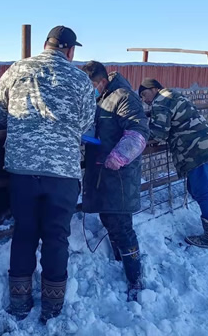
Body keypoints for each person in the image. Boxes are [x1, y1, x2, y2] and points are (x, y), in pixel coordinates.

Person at [0, 25, 96, 323]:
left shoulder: (17, 69)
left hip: (22, 170)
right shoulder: (80, 79)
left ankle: (20, 302)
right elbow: (87, 122)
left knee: (24, 233)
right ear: (71, 50)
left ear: (46, 44)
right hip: (62, 173)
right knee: (56, 237)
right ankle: (52, 306)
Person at [139, 78, 208, 250]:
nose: (144, 100)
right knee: (199, 190)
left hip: (196, 152)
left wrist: (138, 131)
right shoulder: (174, 95)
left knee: (202, 192)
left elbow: (159, 133)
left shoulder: (160, 101)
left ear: (153, 89)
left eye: (144, 94)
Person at [81, 61, 149, 302]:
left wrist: (119, 156)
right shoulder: (101, 99)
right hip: (102, 174)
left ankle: (135, 279)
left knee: (122, 227)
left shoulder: (123, 97)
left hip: (118, 176)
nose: (89, 91)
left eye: (91, 86)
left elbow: (139, 132)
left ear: (101, 81)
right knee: (108, 218)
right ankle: (121, 259)